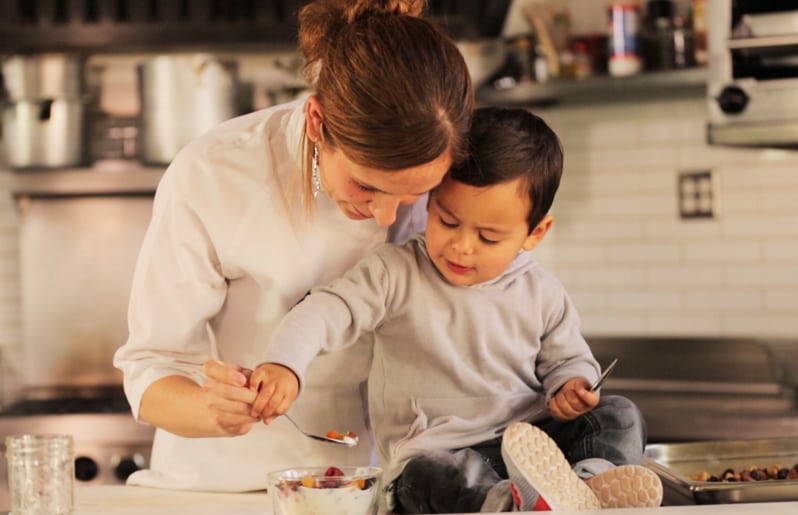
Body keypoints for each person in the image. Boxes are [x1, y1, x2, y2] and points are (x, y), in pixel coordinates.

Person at [112, 0, 474, 492]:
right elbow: (150, 367)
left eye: (412, 196)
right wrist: (212, 409)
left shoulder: (456, 182)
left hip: (372, 484)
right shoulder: (215, 174)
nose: (388, 217)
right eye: (367, 187)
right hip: (225, 487)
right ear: (318, 122)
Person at [249, 106, 663, 512]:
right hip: (445, 453)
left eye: (488, 236)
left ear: (535, 233)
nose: (462, 246)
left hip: (535, 448)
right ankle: (507, 505)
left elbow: (570, 361)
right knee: (420, 477)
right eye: (448, 222)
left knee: (620, 414)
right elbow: (326, 310)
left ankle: (587, 485)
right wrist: (285, 364)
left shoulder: (542, 291)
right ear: (429, 202)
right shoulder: (395, 272)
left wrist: (572, 386)